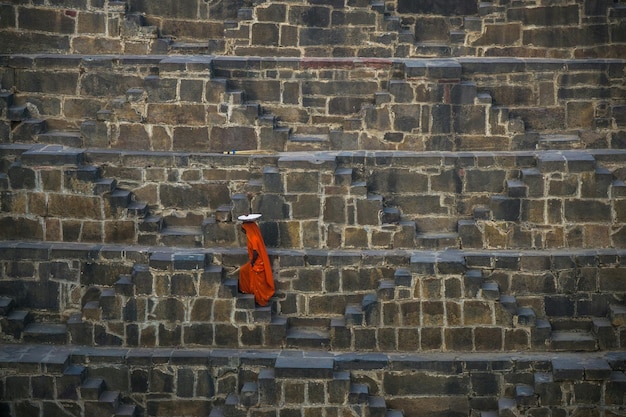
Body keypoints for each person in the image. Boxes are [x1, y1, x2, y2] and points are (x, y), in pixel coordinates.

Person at [238, 214, 274, 306]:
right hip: (256, 261)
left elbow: (255, 251)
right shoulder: (252, 235)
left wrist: (253, 262)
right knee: (244, 271)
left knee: (258, 281)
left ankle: (260, 298)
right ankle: (246, 290)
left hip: (258, 262)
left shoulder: (253, 237)